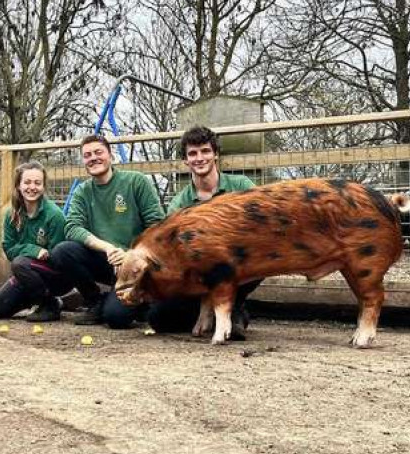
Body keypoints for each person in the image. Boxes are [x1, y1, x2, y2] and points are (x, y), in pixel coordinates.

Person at [148, 125, 261, 337]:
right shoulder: (179, 203)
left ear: (215, 154)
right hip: (197, 275)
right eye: (192, 153)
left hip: (237, 265)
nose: (199, 158)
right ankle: (217, 309)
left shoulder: (241, 185)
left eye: (205, 151)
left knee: (257, 249)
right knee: (157, 319)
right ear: (185, 160)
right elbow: (176, 252)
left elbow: (258, 226)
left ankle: (232, 306)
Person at [50, 134, 166, 328]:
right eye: (87, 155)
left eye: (98, 152)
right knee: (62, 251)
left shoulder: (135, 182)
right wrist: (108, 248)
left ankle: (137, 298)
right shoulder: (83, 191)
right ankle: (94, 300)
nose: (93, 158)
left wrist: (131, 255)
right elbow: (72, 227)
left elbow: (156, 224)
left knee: (115, 319)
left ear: (110, 155)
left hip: (136, 262)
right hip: (106, 261)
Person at [0, 161, 68, 322]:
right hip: (25, 272)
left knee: (19, 263)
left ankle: (49, 303)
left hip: (54, 274)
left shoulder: (54, 215)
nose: (32, 187)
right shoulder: (12, 214)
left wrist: (30, 256)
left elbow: (58, 257)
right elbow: (9, 249)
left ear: (44, 186)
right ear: (18, 185)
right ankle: (44, 299)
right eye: (27, 182)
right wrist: (33, 250)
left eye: (38, 183)